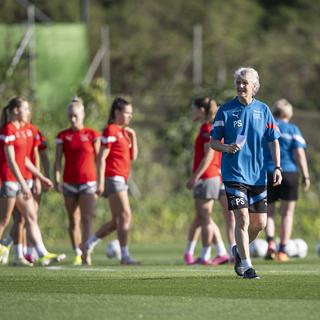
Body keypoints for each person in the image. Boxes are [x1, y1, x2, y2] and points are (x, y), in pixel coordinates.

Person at [210, 67, 282, 279]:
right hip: (234, 174)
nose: (241, 86)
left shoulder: (263, 110)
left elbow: (274, 140)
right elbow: (213, 141)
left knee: (260, 223)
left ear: (254, 86)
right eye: (239, 82)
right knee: (242, 219)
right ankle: (247, 267)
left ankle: (238, 251)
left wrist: (277, 167)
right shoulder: (225, 110)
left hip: (258, 175)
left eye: (245, 83)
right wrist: (226, 147)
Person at [0, 96, 65, 266]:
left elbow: (25, 160)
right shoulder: (8, 130)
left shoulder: (21, 130)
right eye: (25, 108)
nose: (28, 112)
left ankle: (42, 253)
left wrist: (41, 176)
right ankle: (6, 247)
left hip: (20, 181)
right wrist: (23, 184)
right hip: (9, 181)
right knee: (5, 220)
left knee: (30, 216)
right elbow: (12, 161)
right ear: (15, 110)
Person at [84, 97, 138, 265]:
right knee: (126, 215)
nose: (130, 116)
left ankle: (87, 245)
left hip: (121, 178)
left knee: (116, 221)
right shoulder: (111, 130)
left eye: (131, 113)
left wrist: (133, 137)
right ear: (117, 112)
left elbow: (133, 156)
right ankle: (125, 256)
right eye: (127, 113)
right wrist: (100, 182)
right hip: (114, 178)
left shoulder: (123, 132)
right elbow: (101, 158)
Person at [184, 97, 234, 265]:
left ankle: (206, 255)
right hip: (214, 176)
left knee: (205, 218)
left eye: (194, 108)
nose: (192, 111)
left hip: (208, 177)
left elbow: (209, 155)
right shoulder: (209, 127)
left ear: (202, 110)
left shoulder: (207, 128)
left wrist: (195, 176)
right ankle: (221, 252)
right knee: (204, 217)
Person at [55, 98, 100, 265]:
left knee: (87, 218)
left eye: (75, 116)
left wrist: (100, 181)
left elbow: (99, 159)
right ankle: (76, 252)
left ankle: (86, 251)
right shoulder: (63, 136)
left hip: (88, 182)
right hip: (69, 183)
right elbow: (58, 160)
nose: (72, 119)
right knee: (73, 219)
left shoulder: (92, 134)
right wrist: (57, 179)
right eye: (70, 116)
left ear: (82, 115)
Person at [264, 99, 310, 261]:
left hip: (268, 172)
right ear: (288, 113)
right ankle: (282, 250)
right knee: (287, 214)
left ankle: (270, 244)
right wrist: (305, 175)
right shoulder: (292, 129)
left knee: (268, 212)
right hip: (289, 172)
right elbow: (299, 154)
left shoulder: (267, 127)